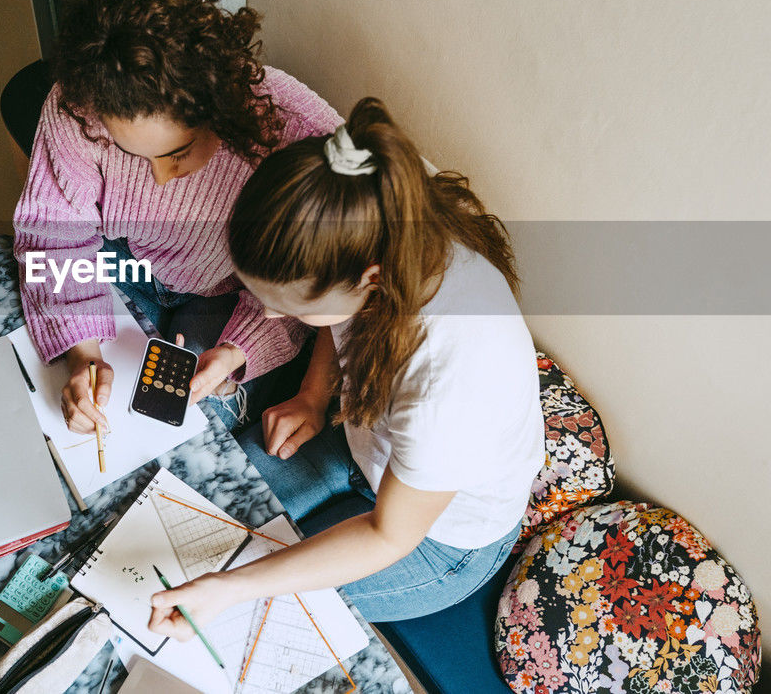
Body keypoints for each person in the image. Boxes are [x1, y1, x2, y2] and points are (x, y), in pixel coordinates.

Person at [148, 97, 544, 631]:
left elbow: (387, 535)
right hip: (369, 450)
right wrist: (313, 397)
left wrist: (232, 589)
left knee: (240, 613)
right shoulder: (374, 198)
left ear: (370, 278)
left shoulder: (449, 382)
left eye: (292, 306)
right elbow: (344, 322)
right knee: (190, 524)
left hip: (438, 540)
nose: (266, 314)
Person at [13, 0, 342, 432]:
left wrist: (237, 351)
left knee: (182, 413)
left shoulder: (295, 132)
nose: (161, 181)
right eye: (132, 154)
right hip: (127, 260)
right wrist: (81, 352)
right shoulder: (78, 107)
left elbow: (310, 284)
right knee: (85, 374)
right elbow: (53, 237)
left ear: (220, 104)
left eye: (179, 152)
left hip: (239, 296)